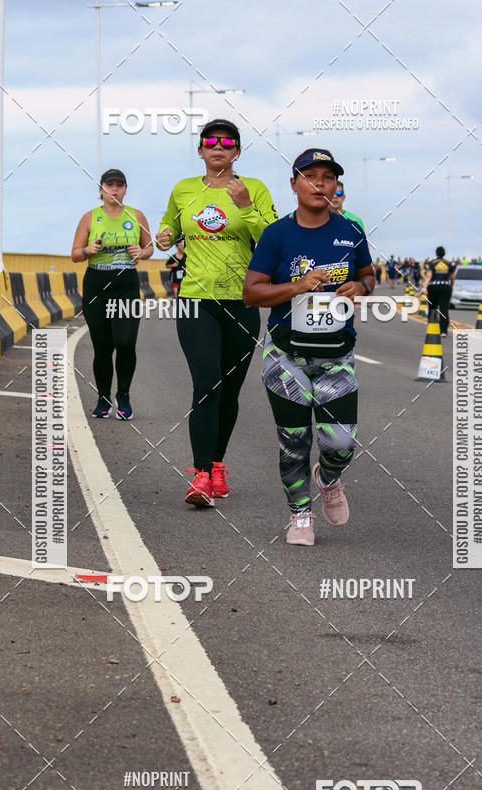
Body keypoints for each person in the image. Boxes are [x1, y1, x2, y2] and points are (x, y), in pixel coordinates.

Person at [243, 148, 375, 546]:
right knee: (294, 440)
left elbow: (369, 275)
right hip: (286, 357)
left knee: (340, 443)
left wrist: (360, 287)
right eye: (311, 176)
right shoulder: (276, 235)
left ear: (337, 185)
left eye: (328, 177)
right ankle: (300, 515)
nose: (320, 184)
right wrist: (297, 286)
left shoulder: (350, 231)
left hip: (337, 357)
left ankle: (329, 478)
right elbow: (252, 293)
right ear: (294, 183)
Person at [156, 119, 277, 507]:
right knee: (206, 385)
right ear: (201, 150)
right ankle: (201, 476)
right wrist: (163, 236)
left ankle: (218, 463)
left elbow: (273, 239)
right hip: (196, 301)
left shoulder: (253, 189)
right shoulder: (184, 190)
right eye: (211, 142)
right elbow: (169, 229)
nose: (218, 148)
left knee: (230, 391)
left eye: (227, 143)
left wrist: (246, 207)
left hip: (242, 301)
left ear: (237, 151)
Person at [71, 168, 153, 420]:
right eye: (109, 185)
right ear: (101, 190)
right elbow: (74, 254)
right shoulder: (89, 218)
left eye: (119, 185)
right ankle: (103, 397)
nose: (114, 189)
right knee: (103, 347)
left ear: (125, 189)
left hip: (126, 284)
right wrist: (88, 249)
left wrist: (140, 252)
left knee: (126, 343)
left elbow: (149, 248)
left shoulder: (136, 215)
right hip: (96, 283)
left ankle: (124, 395)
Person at [422, 246, 455, 336]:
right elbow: (452, 277)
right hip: (445, 287)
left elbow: (429, 275)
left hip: (433, 288)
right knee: (444, 309)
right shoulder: (448, 263)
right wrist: (451, 286)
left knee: (432, 308)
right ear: (444, 254)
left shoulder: (432, 263)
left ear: (436, 253)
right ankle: (443, 331)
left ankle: (432, 327)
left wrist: (424, 287)